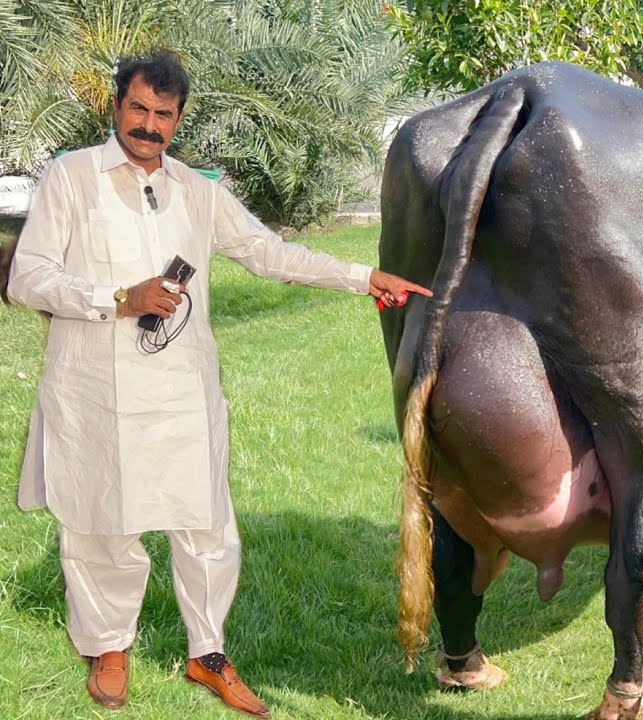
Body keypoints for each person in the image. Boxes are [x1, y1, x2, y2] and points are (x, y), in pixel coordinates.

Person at [5, 49, 429, 716]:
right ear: (116, 105)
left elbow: (266, 251)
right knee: (100, 526)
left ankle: (209, 654)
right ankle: (110, 648)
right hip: (95, 390)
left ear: (179, 119)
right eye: (138, 109)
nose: (149, 125)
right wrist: (119, 297)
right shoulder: (71, 178)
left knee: (206, 527)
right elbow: (28, 278)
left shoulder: (195, 192)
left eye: (163, 115)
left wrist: (361, 277)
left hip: (181, 390)